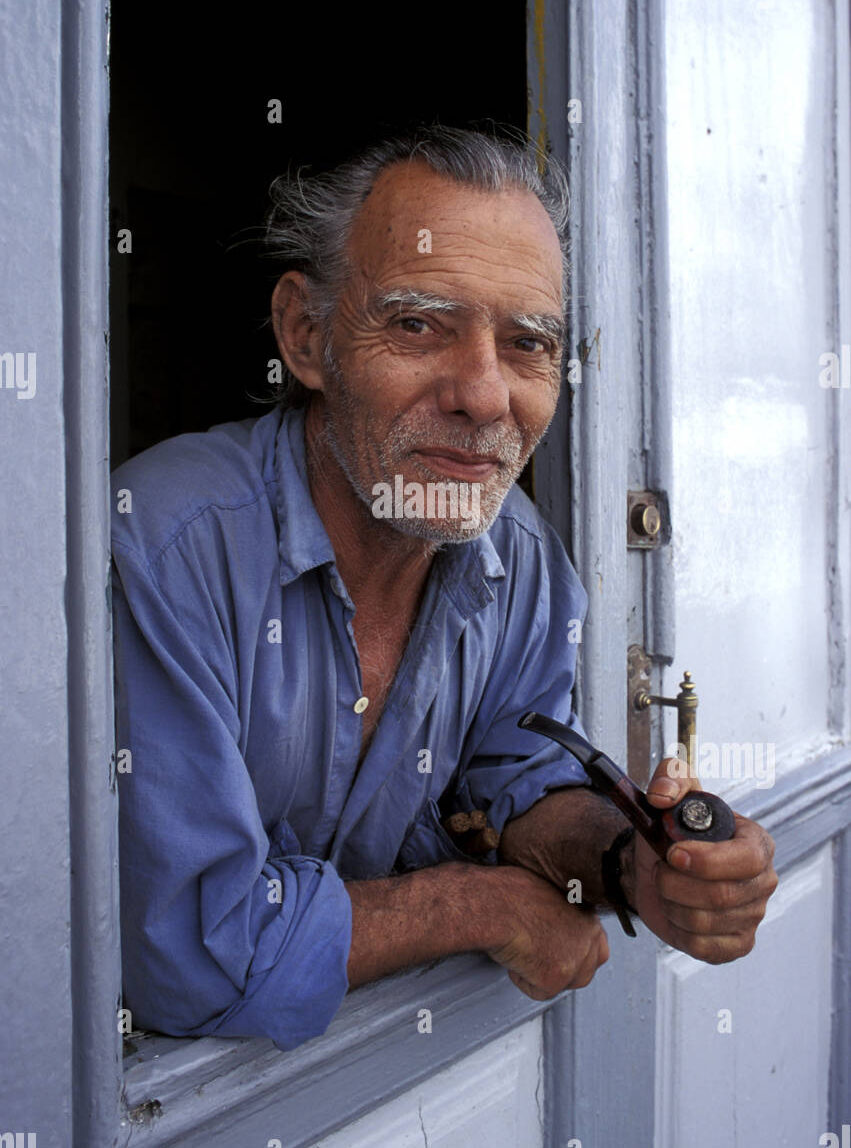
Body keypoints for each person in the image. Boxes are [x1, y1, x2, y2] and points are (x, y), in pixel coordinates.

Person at [110, 125, 777, 1051]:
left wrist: (631, 867)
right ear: (306, 338)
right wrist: (483, 905)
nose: (483, 394)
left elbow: (516, 776)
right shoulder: (166, 546)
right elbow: (188, 955)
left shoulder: (518, 556)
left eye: (526, 343)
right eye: (418, 325)